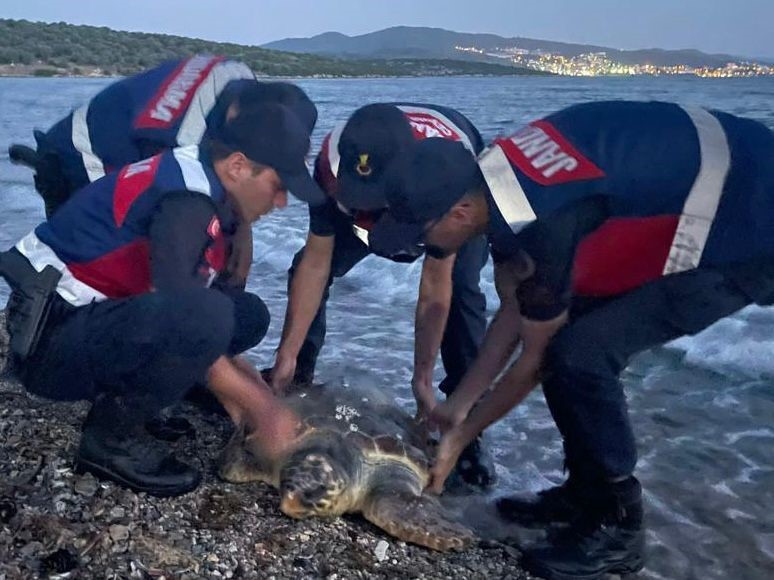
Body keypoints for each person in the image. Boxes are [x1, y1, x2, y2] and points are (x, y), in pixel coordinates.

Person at [369, 101, 774, 580]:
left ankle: (619, 529)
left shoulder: (544, 218)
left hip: (751, 218)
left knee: (583, 352)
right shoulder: (494, 186)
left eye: (422, 235)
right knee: (569, 329)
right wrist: (458, 405)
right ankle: (584, 495)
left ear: (459, 212)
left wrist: (461, 437)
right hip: (714, 174)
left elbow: (534, 358)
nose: (422, 248)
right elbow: (519, 310)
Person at [0, 104, 326, 497]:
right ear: (239, 166)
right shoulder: (187, 200)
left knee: (248, 315)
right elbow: (183, 310)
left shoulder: (203, 176)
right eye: (278, 186)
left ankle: (174, 384)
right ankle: (108, 441)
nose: (281, 203)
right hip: (49, 345)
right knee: (208, 318)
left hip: (88, 319)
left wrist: (238, 377)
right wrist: (265, 410)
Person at [267, 103, 495, 488]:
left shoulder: (442, 179)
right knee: (303, 265)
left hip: (439, 198)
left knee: (463, 296)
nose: (361, 204)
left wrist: (421, 378)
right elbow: (317, 264)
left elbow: (436, 286)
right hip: (390, 189)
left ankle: (466, 430)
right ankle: (296, 381)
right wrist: (286, 354)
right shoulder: (332, 164)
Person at [8, 54, 317, 218]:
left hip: (87, 133)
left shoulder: (238, 75)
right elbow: (175, 202)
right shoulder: (185, 135)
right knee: (100, 255)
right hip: (81, 159)